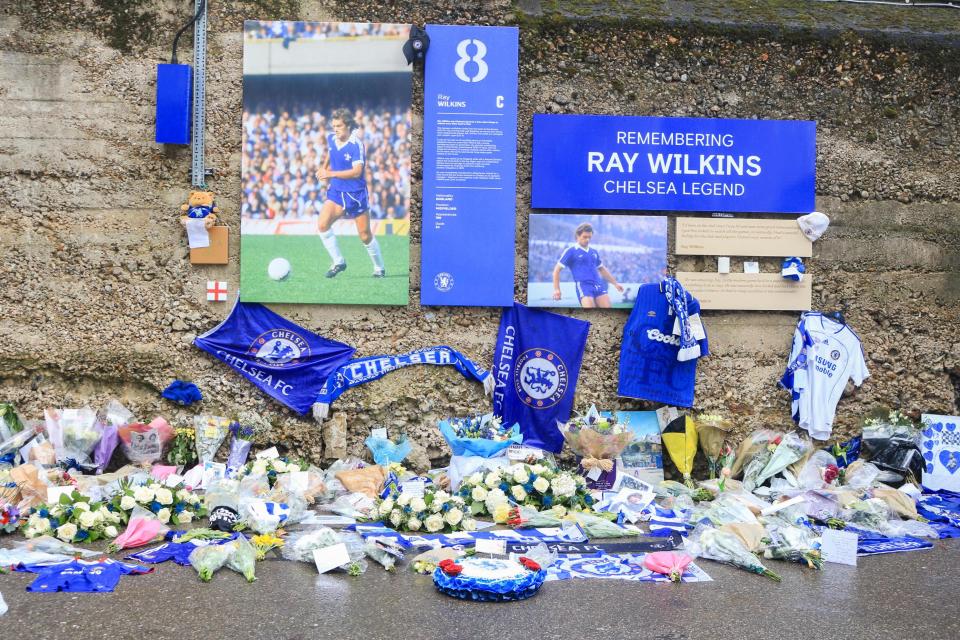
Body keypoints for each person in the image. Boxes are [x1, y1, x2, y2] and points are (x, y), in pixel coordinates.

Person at [316, 108, 385, 278]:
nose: (335, 129)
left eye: (339, 125)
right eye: (334, 126)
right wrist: (323, 168)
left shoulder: (356, 145)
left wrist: (330, 173)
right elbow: (330, 153)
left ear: (347, 126)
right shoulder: (332, 139)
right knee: (322, 225)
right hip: (337, 192)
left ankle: (379, 268)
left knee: (364, 235)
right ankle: (339, 261)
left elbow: (356, 171)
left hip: (355, 194)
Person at [552, 222, 624, 308]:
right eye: (584, 237)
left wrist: (615, 283)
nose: (587, 240)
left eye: (589, 237)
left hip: (598, 284)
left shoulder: (594, 252)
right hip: (584, 286)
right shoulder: (570, 251)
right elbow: (556, 270)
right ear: (577, 236)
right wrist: (557, 290)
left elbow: (602, 269)